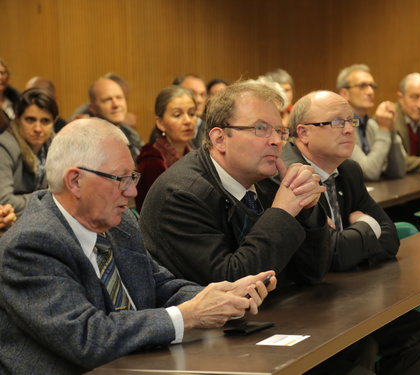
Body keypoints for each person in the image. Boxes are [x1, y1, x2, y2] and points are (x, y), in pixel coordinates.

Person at [0, 118, 276, 374]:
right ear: (75, 181)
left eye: (132, 179)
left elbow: (160, 287)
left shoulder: (121, 223)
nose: (132, 192)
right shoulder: (31, 245)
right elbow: (88, 339)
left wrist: (222, 297)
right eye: (120, 179)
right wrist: (187, 315)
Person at [283, 90, 420, 375]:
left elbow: (389, 237)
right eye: (336, 122)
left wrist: (354, 237)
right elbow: (329, 254)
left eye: (351, 121)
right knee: (360, 354)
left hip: (345, 294)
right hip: (299, 305)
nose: (348, 129)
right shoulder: (287, 174)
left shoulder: (348, 170)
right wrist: (365, 226)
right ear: (303, 132)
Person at [140, 81, 329, 288]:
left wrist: (306, 210)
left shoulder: (268, 180)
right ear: (220, 139)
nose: (276, 141)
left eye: (279, 131)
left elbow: (311, 271)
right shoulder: (181, 194)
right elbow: (230, 283)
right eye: (260, 128)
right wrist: (282, 212)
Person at [337, 64, 406, 181]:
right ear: (345, 94)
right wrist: (384, 129)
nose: (370, 92)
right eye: (362, 86)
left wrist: (391, 130)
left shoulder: (372, 124)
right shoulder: (339, 127)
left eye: (372, 86)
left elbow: (398, 171)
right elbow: (368, 173)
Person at [135, 86, 196, 211]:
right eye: (177, 115)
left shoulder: (196, 155)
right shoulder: (152, 161)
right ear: (160, 123)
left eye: (191, 113)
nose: (188, 121)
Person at [0, 88, 57, 216]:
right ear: (17, 118)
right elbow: (4, 201)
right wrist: (50, 200)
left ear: (54, 121)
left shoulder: (55, 146)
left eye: (45, 121)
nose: (38, 128)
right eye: (30, 120)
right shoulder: (4, 147)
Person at [88, 76, 143, 160]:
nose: (116, 104)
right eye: (107, 100)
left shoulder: (132, 135)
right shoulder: (87, 141)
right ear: (93, 108)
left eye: (119, 97)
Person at [173, 74, 208, 148]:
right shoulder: (165, 129)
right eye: (192, 93)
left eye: (202, 95)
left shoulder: (210, 128)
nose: (199, 100)